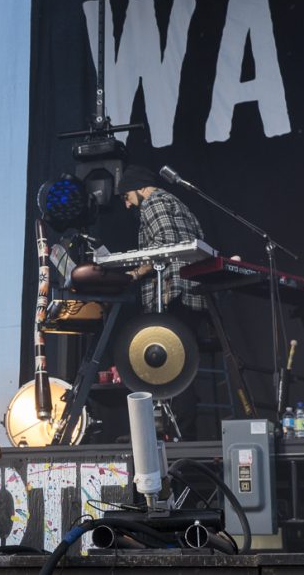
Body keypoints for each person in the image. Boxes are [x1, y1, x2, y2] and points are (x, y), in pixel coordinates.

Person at [117, 164, 208, 439]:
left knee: (172, 371)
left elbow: (164, 246)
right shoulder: (178, 204)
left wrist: (135, 273)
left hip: (173, 293)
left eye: (126, 196)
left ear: (140, 188)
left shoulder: (153, 203)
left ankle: (181, 437)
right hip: (194, 295)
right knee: (184, 368)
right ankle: (184, 433)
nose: (127, 205)